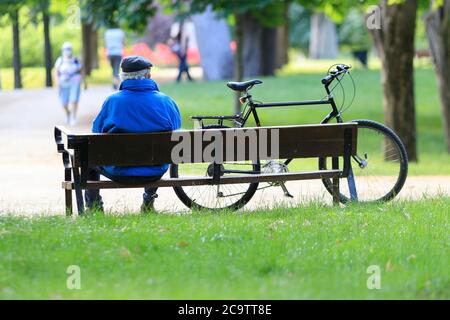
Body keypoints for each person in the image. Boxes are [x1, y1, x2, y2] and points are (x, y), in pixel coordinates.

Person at [85, 56, 182, 213]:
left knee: (88, 156)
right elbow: (176, 131)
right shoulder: (166, 102)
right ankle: (148, 202)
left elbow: (96, 132)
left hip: (117, 170)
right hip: (154, 171)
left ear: (122, 77)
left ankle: (94, 207)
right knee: (158, 151)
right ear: (148, 76)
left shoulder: (112, 102)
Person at [54, 42, 82, 125]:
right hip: (63, 82)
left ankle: (73, 117)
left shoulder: (75, 60)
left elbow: (81, 71)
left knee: (74, 100)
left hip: (74, 81)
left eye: (69, 49)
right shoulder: (60, 60)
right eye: (66, 49)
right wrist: (57, 82)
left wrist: (84, 82)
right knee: (64, 102)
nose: (67, 51)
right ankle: (68, 114)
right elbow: (56, 73)